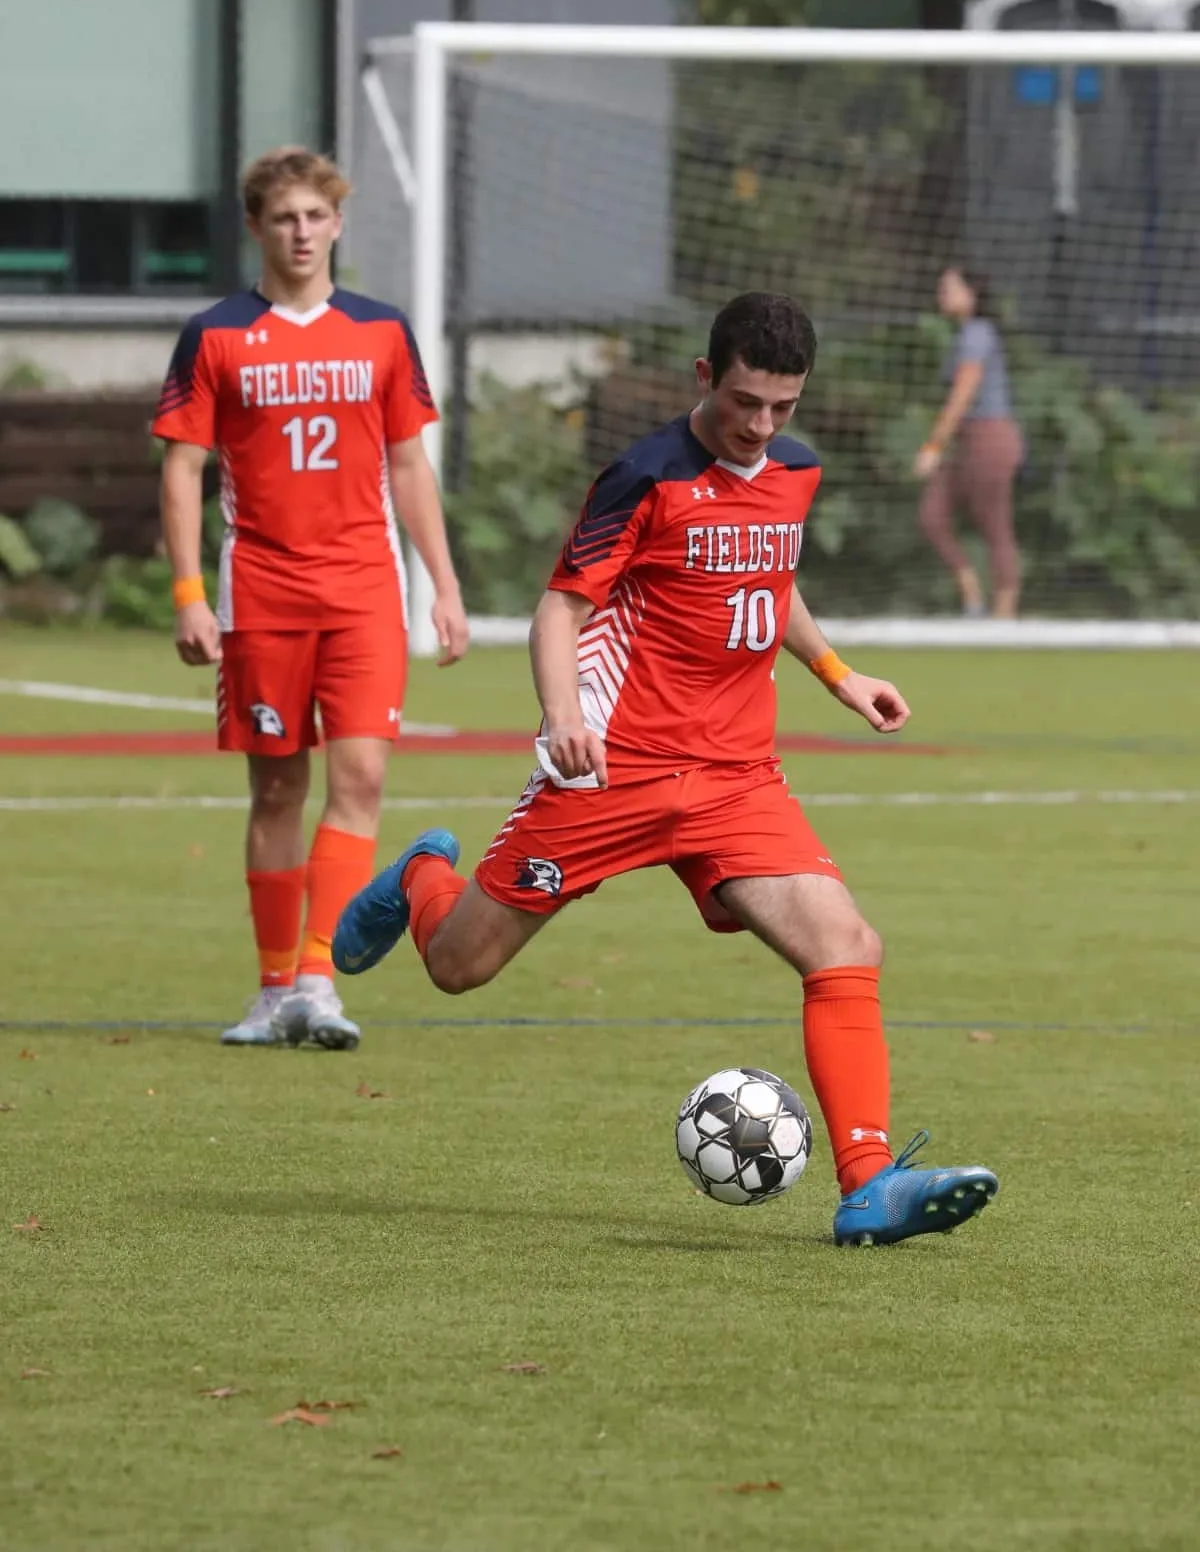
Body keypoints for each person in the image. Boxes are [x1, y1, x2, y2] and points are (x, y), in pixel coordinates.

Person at [331, 292, 998, 1248]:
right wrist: (566, 718)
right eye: (744, 402)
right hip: (616, 769)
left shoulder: (796, 471)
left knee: (847, 945)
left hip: (735, 776)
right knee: (457, 967)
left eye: (782, 406)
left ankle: (870, 1185)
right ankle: (422, 875)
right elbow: (560, 611)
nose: (760, 425)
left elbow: (769, 579)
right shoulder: (643, 477)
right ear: (704, 376)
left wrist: (839, 674)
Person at [154, 146, 468, 1050]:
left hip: (365, 590)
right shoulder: (214, 334)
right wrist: (188, 594)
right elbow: (182, 469)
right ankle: (269, 990)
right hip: (261, 593)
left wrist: (444, 585)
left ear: (337, 224)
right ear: (256, 226)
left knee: (361, 777)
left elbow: (408, 466)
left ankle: (318, 982)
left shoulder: (383, 332)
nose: (301, 232)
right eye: (284, 217)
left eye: (316, 216)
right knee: (278, 788)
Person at [915, 265, 1025, 618]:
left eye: (949, 288)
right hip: (967, 442)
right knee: (933, 515)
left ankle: (1005, 618)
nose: (941, 295)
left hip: (990, 439)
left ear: (971, 294)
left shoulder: (977, 334)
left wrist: (933, 447)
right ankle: (973, 598)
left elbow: (962, 395)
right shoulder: (967, 334)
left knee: (995, 525)